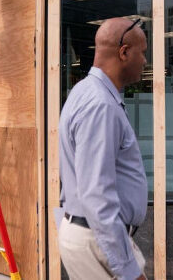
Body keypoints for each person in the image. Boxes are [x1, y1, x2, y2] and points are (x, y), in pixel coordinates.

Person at [58, 17, 148, 280]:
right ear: (124, 52)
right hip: (97, 239)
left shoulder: (85, 92)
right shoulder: (100, 105)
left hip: (95, 235)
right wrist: (129, 270)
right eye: (142, 53)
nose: (144, 61)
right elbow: (97, 195)